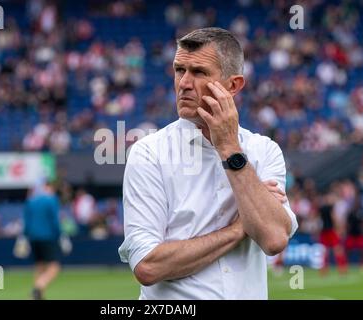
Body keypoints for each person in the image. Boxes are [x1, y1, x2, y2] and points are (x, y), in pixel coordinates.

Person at [118, 27, 298, 300]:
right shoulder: (148, 153)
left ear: (234, 85)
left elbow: (273, 239)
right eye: (180, 70)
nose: (184, 83)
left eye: (199, 73)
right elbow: (147, 265)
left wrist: (229, 148)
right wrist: (240, 228)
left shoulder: (264, 150)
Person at [23, 180, 62, 300]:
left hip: (33, 237)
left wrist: (25, 236)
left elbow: (26, 222)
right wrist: (60, 235)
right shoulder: (51, 200)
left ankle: (38, 296)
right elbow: (55, 221)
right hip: (47, 236)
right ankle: (38, 288)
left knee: (39, 265)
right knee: (54, 267)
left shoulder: (31, 200)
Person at [318, 192, 348, 275]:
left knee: (324, 251)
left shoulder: (321, 208)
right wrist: (339, 229)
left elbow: (319, 220)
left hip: (324, 231)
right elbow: (334, 218)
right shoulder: (330, 207)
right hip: (331, 231)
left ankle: (324, 269)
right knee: (337, 249)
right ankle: (342, 268)